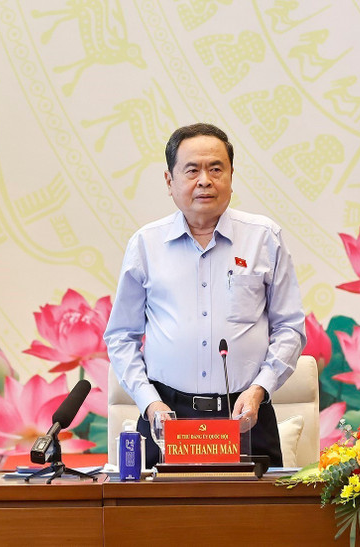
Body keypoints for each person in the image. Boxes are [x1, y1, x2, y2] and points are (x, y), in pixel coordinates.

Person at [104, 123, 306, 468]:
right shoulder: (146, 245)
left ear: (231, 176)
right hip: (167, 418)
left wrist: (259, 389)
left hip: (245, 415)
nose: (204, 180)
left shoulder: (264, 238)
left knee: (257, 521)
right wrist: (150, 403)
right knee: (159, 521)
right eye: (192, 170)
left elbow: (290, 328)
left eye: (216, 169)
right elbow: (121, 336)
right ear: (170, 182)